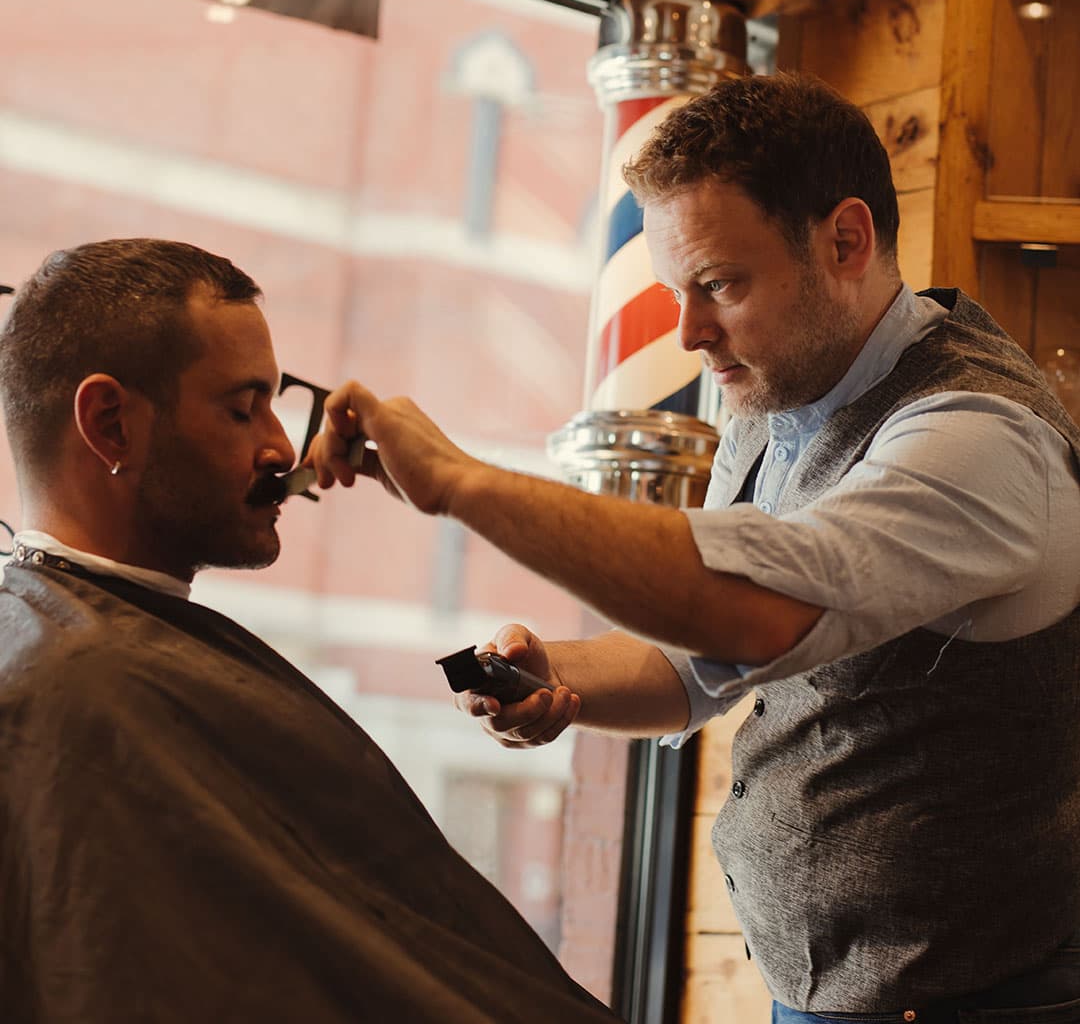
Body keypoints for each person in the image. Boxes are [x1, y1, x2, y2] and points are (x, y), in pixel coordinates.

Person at [309, 73, 1080, 1022]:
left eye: (718, 285)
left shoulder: (979, 437)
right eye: (679, 290)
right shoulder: (775, 390)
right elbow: (698, 656)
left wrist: (463, 483)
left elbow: (754, 613)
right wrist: (564, 679)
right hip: (826, 989)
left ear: (846, 240)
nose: (689, 334)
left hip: (981, 1001)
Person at [0, 239, 621, 1024]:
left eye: (274, 401)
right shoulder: (81, 694)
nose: (282, 447)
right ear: (110, 424)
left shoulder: (81, 649)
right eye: (242, 406)